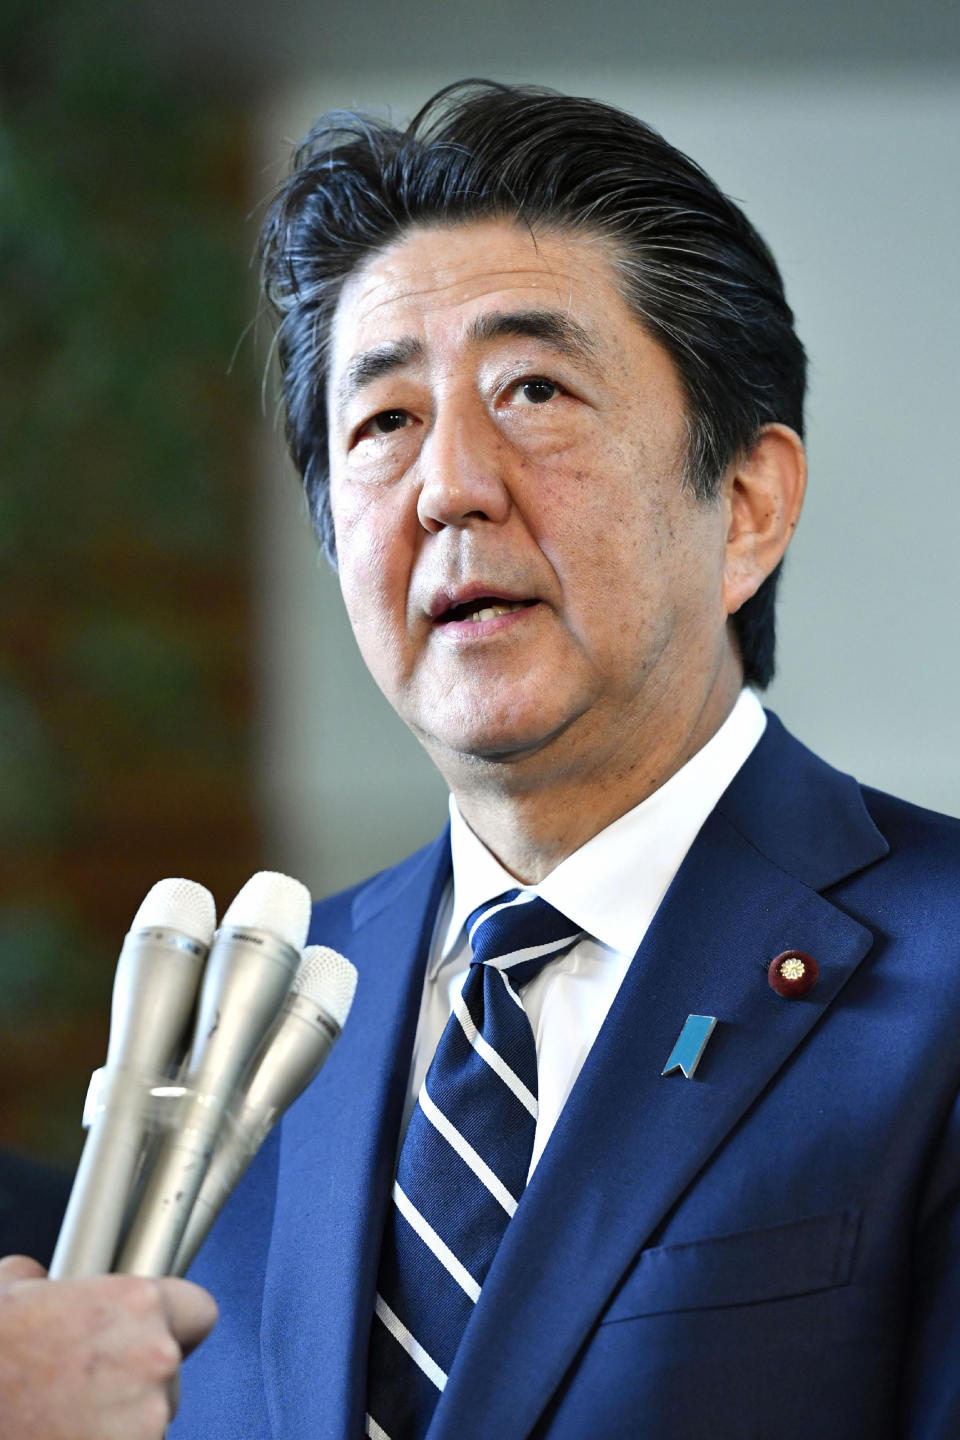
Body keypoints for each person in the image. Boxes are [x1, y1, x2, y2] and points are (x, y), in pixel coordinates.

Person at [11, 79, 959, 1438]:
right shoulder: (250, 1036)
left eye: (533, 388)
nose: (450, 484)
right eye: (383, 422)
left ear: (747, 504)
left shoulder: (940, 969)